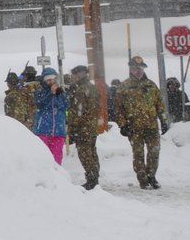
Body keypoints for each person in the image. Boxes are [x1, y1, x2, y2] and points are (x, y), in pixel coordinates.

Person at [116, 56, 169, 190]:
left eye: (140, 68)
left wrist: (163, 120)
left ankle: (151, 176)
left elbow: (159, 104)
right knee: (138, 154)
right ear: (130, 69)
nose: (138, 71)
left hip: (151, 125)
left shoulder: (151, 85)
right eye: (135, 68)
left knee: (154, 152)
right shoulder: (124, 87)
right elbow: (119, 109)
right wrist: (123, 125)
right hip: (134, 127)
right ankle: (143, 180)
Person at [65, 65, 103, 190]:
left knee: (85, 154)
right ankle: (94, 178)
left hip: (83, 128)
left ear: (80, 75)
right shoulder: (89, 88)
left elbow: (79, 112)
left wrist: (74, 129)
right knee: (91, 152)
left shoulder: (82, 90)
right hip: (90, 127)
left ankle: (92, 180)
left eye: (75, 75)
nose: (73, 77)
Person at [32, 67, 69, 164]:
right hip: (43, 130)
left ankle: (57, 176)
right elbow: (40, 104)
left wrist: (59, 95)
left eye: (52, 79)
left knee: (57, 157)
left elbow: (66, 106)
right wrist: (51, 94)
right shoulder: (40, 93)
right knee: (43, 157)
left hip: (58, 131)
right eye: (48, 80)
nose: (50, 82)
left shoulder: (61, 93)